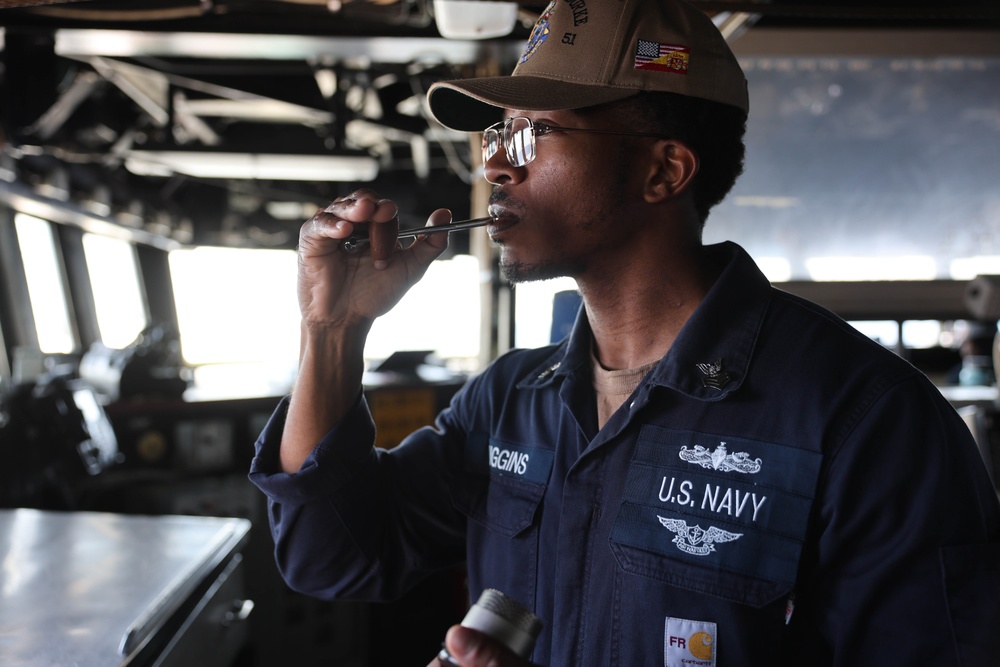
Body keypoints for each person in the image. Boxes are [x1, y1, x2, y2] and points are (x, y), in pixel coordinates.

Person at [249, 0, 1000, 664]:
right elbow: (334, 555)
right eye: (497, 137)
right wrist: (334, 329)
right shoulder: (510, 399)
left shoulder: (870, 423)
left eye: (531, 136)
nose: (495, 169)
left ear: (663, 171)